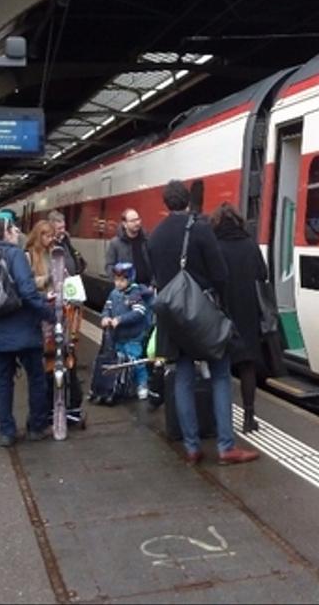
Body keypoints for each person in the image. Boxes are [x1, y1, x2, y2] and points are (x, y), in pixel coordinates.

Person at [147, 180, 257, 466]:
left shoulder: (155, 236)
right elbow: (220, 274)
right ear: (187, 201)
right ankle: (225, 447)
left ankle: (192, 447)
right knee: (220, 376)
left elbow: (153, 277)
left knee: (182, 377)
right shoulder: (200, 229)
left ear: (166, 203)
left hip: (172, 318)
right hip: (202, 315)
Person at [0, 211, 53, 447]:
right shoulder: (15, 255)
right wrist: (48, 314)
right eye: (14, 230)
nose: (18, 233)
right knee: (36, 378)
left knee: (2, 381)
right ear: (6, 233)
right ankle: (36, 426)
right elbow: (27, 292)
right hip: (23, 328)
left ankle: (6, 431)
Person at [210, 202, 269, 433]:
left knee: (222, 368)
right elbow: (262, 275)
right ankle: (248, 417)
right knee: (247, 366)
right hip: (248, 313)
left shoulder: (215, 247)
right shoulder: (249, 245)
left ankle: (222, 419)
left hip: (223, 313)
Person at [100, 262, 149, 399]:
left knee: (135, 361)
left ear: (130, 279)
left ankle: (142, 384)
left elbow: (139, 312)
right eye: (116, 280)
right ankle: (123, 385)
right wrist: (105, 318)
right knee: (119, 363)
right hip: (118, 337)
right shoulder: (113, 294)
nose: (118, 283)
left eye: (122, 280)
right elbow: (107, 309)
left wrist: (121, 319)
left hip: (133, 337)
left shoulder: (135, 294)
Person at [45, 210, 85, 277]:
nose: (63, 230)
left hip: (70, 280)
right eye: (59, 228)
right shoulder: (48, 242)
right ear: (51, 228)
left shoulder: (65, 239)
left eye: (64, 227)